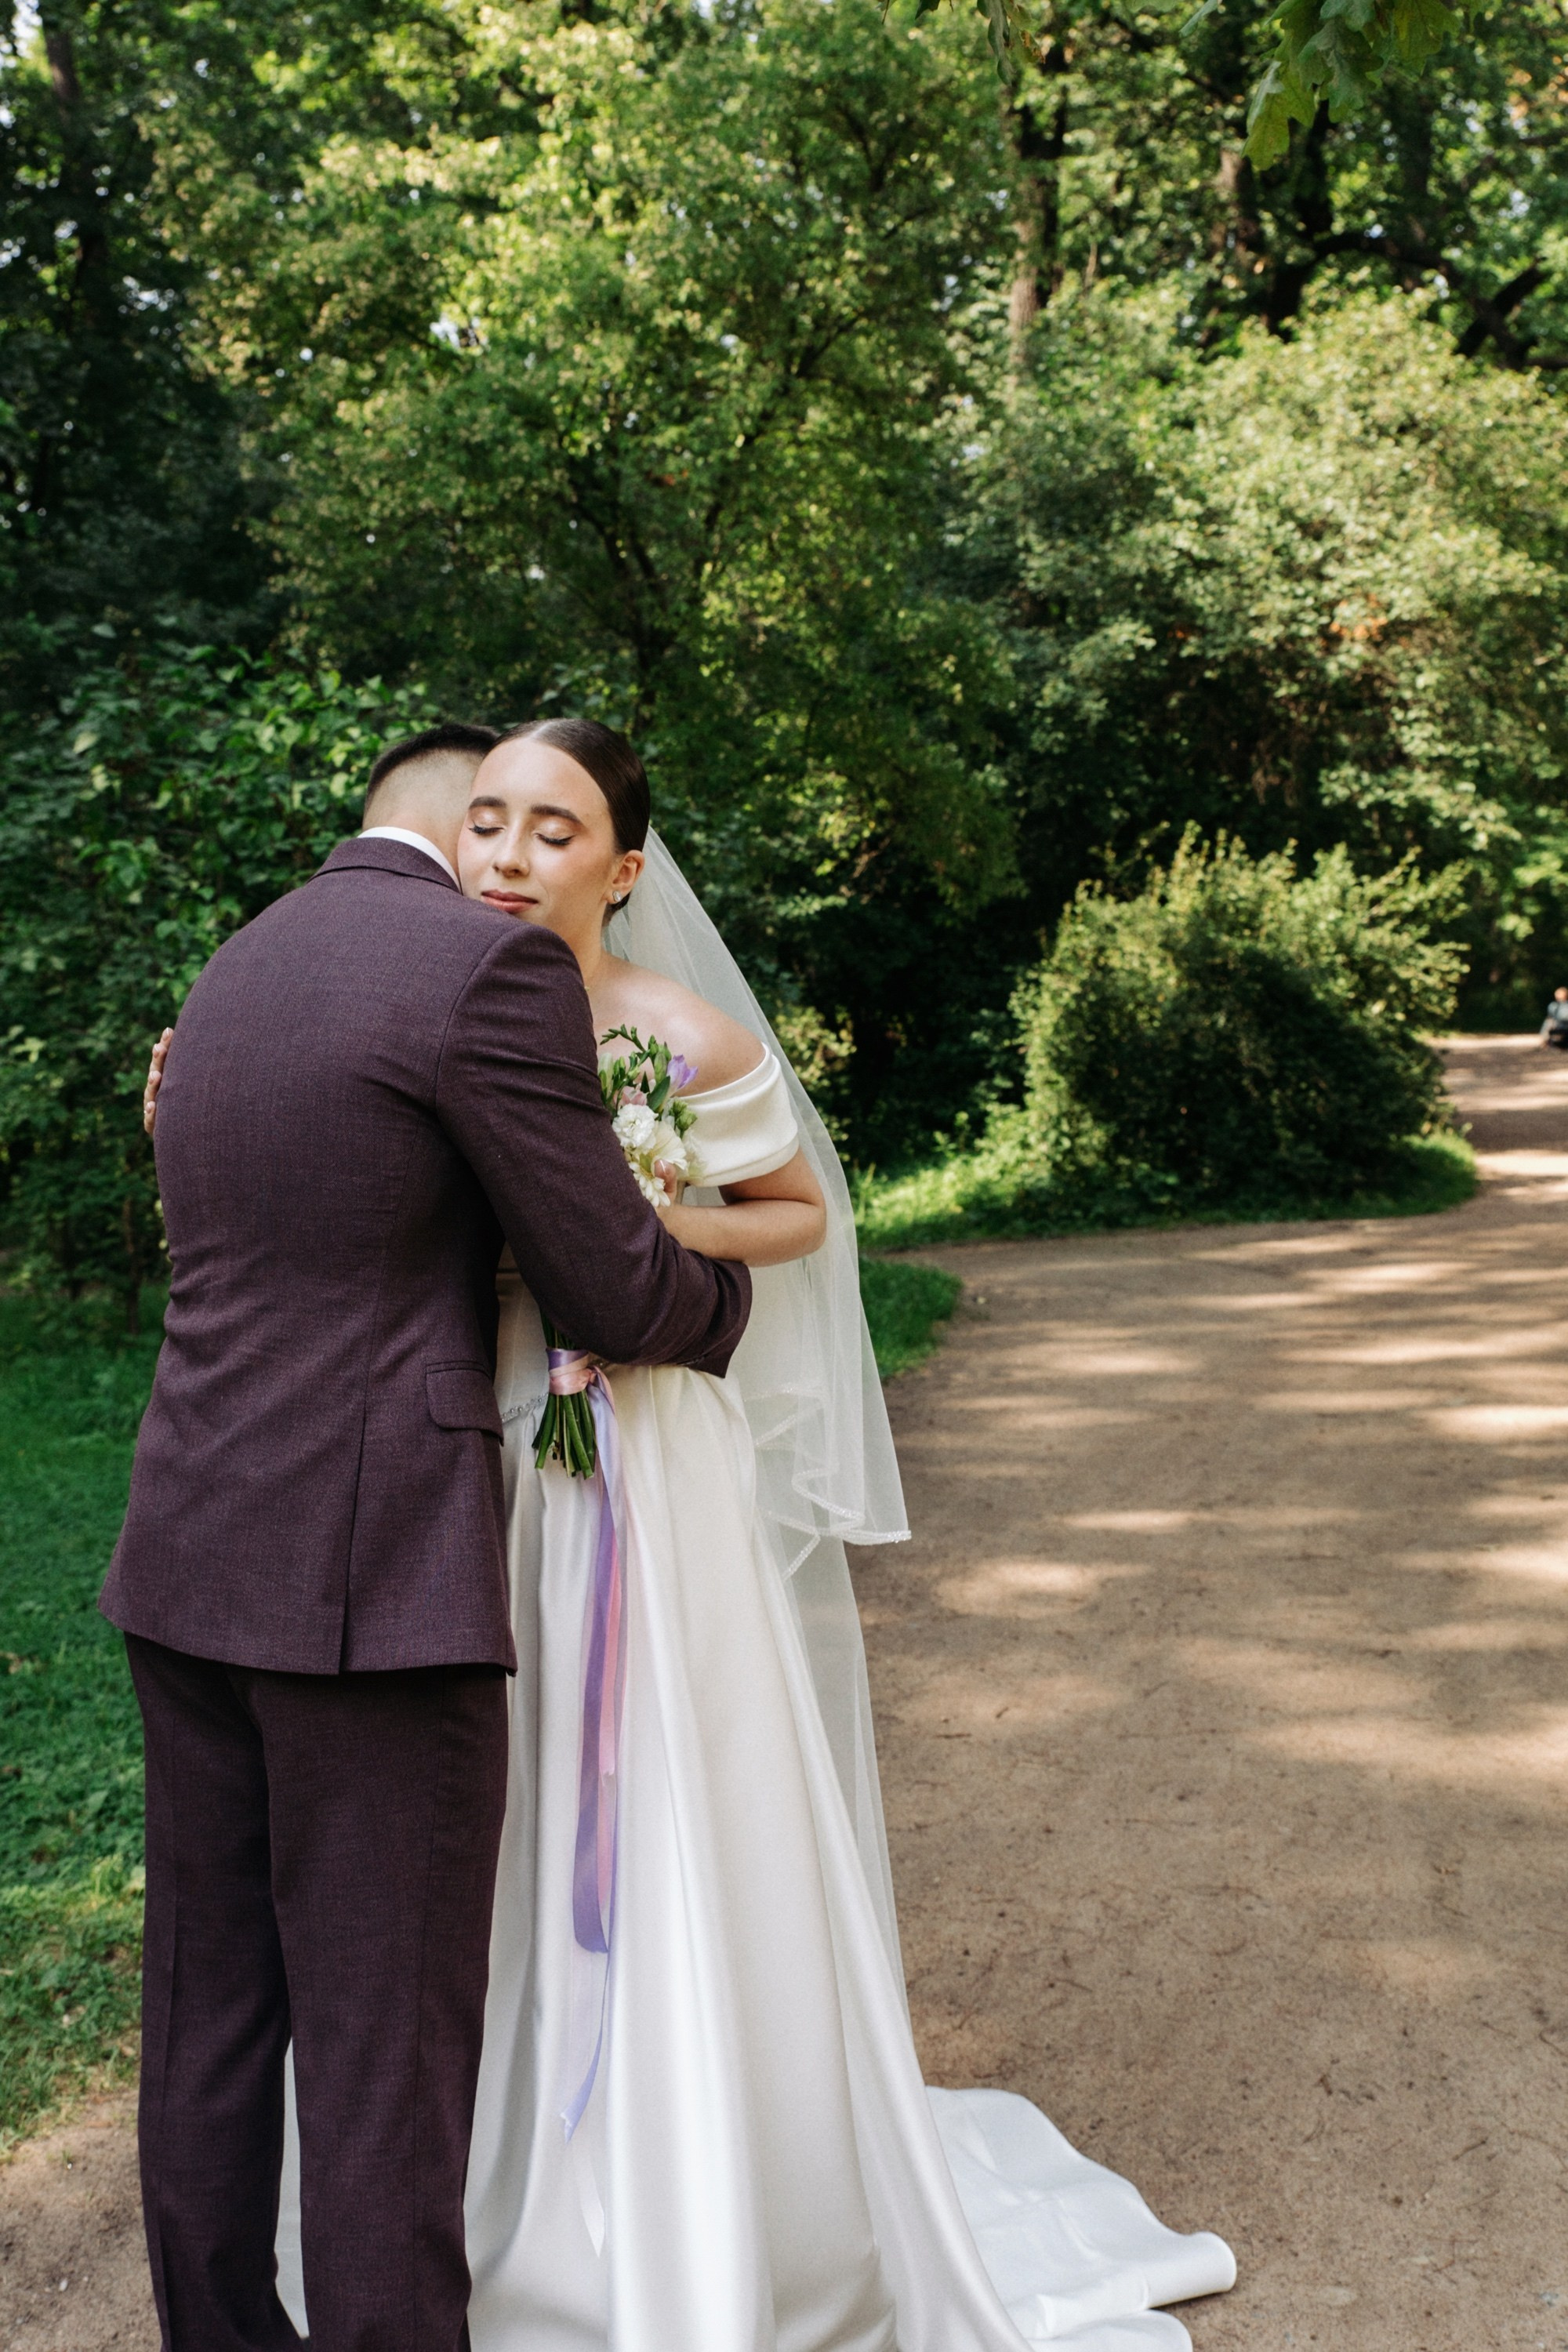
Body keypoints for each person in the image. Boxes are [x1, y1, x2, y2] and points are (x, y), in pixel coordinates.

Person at [255, 717, 1233, 2352]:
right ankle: (489, 2189)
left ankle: (690, 2193)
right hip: (474, 1452)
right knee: (484, 1808)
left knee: (663, 1789)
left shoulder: (674, 1031)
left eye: (553, 830)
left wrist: (646, 1223)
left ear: (622, 868)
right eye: (486, 820)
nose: (506, 855)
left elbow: (798, 1211)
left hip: (648, 1457)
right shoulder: (426, 1009)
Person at [115, 720, 752, 2352]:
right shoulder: (486, 971)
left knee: (206, 2008)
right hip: (370, 1579)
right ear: (449, 815)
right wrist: (727, 1300)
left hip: (185, 1549)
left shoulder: (240, 965)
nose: (505, 860)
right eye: (489, 821)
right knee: (385, 2040)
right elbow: (614, 1285)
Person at [1541, 985, 1568, 1049]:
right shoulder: (1553, 1005)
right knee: (1548, 1022)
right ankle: (1545, 1041)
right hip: (1557, 1025)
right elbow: (1550, 1017)